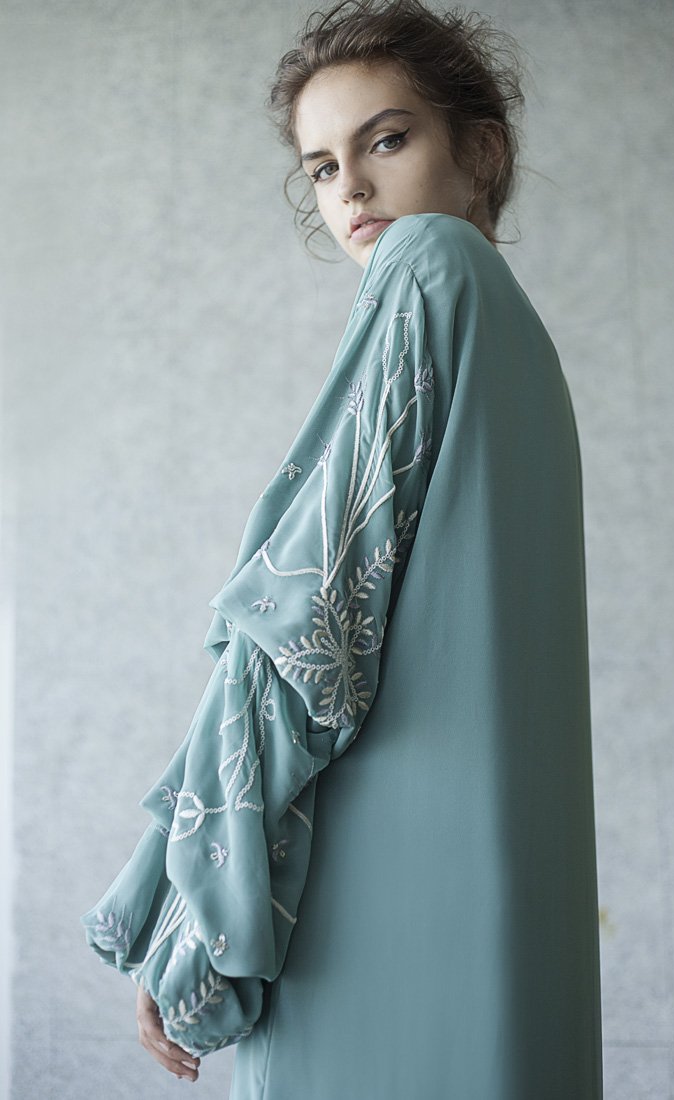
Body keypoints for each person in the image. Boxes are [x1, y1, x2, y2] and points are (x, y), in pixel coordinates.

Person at [81, 1, 603, 1097]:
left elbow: (303, 625)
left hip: (371, 891)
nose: (352, 189)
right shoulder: (520, 347)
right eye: (322, 167)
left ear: (481, 153)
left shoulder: (427, 262)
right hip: (503, 901)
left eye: (387, 139)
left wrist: (189, 905)